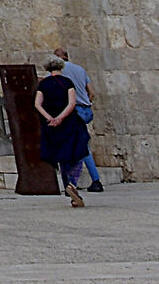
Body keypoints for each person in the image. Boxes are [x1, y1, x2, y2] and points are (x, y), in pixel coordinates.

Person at [35, 56, 93, 207]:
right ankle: (72, 183)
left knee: (61, 156)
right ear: (61, 67)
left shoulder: (43, 84)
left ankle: (69, 187)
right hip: (69, 123)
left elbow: (37, 104)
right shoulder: (67, 82)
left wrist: (50, 118)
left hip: (51, 126)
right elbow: (72, 103)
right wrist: (60, 118)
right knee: (79, 151)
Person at [54, 46, 102, 192]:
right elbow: (92, 92)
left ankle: (77, 182)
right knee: (80, 144)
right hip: (86, 109)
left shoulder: (60, 71)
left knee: (79, 146)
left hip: (74, 111)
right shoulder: (80, 69)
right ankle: (90, 180)